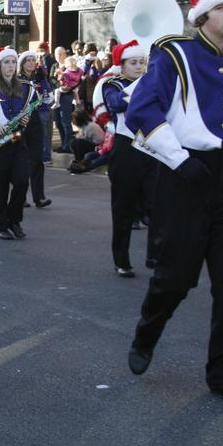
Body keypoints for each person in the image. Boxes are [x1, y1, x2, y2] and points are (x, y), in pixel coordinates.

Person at [125, 0, 223, 403]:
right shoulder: (175, 53)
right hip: (184, 171)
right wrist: (180, 160)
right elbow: (142, 110)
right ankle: (147, 331)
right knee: (177, 276)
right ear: (203, 13)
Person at [94, 39, 157, 277]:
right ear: (122, 65)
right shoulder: (114, 83)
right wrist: (141, 87)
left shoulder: (153, 83)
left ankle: (154, 255)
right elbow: (115, 104)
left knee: (157, 206)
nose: (140, 67)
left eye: (142, 62)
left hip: (153, 147)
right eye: (134, 63)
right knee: (123, 208)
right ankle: (122, 260)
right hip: (126, 149)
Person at [0, 47, 34, 240]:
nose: (10, 66)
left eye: (13, 62)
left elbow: (25, 111)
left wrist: (25, 119)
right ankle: (0, 225)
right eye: (6, 62)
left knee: (22, 181)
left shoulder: (23, 87)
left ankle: (14, 219)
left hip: (17, 139)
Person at [19, 50, 52, 208]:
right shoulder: (18, 79)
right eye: (28, 60)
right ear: (22, 63)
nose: (31, 63)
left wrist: (43, 81)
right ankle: (21, 197)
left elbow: (48, 99)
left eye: (33, 60)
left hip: (35, 121)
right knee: (22, 161)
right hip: (21, 122)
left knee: (37, 160)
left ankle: (39, 197)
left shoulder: (38, 78)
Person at [54, 56, 83, 153]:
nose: (58, 56)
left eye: (60, 54)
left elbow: (78, 82)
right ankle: (64, 144)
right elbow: (52, 79)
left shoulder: (75, 71)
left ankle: (68, 146)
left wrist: (70, 87)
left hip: (67, 96)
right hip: (58, 95)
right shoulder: (58, 67)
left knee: (66, 122)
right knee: (59, 122)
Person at [36, 42, 57, 165]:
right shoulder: (44, 82)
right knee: (45, 135)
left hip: (43, 110)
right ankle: (45, 157)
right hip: (44, 110)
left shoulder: (43, 83)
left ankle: (46, 157)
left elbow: (49, 99)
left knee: (44, 135)